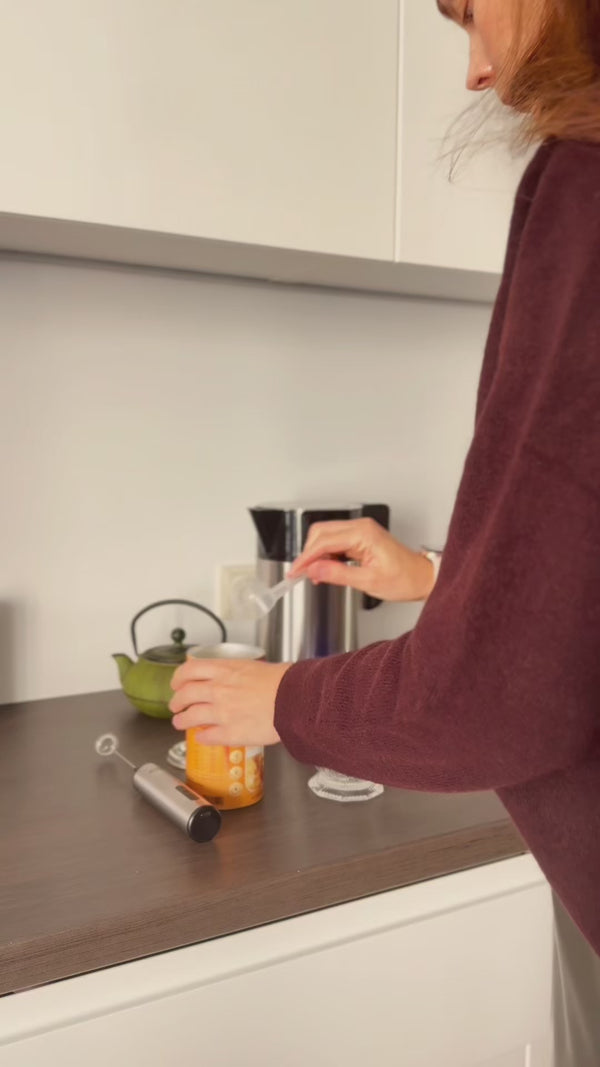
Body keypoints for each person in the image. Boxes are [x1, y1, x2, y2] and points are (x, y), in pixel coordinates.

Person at [171, 1, 600, 1062]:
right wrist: (442, 575)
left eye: (471, 14)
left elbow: (499, 697)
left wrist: (283, 700)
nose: (475, 71)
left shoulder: (587, 176)